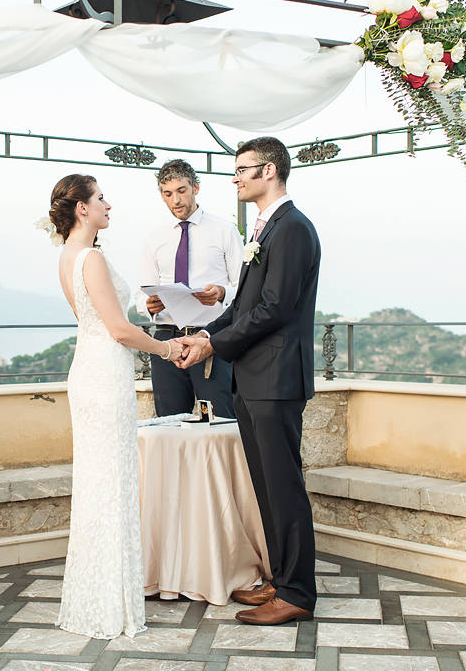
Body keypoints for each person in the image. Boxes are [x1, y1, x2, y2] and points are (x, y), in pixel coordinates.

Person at [179, 137, 320, 626]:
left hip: (278, 378)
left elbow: (275, 307)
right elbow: (241, 308)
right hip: (255, 377)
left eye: (242, 169)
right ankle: (280, 579)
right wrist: (205, 333)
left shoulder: (293, 228)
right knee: (266, 487)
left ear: (270, 171)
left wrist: (215, 346)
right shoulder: (263, 228)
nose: (235, 178)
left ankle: (298, 592)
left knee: (285, 488)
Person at [41, 173, 184, 639]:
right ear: (82, 208)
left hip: (89, 369)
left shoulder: (68, 256)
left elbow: (98, 320)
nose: (109, 204)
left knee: (98, 483)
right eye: (101, 198)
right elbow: (118, 330)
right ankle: (108, 605)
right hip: (104, 375)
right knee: (112, 482)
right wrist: (168, 349)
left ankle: (96, 598)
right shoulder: (93, 258)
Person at [136, 159, 241, 418]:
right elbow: (141, 295)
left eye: (182, 191)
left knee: (218, 420)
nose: (176, 201)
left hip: (210, 340)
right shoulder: (154, 238)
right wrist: (148, 306)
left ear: (196, 187)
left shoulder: (224, 231)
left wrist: (222, 293)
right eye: (168, 194)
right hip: (166, 341)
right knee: (169, 423)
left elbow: (245, 287)